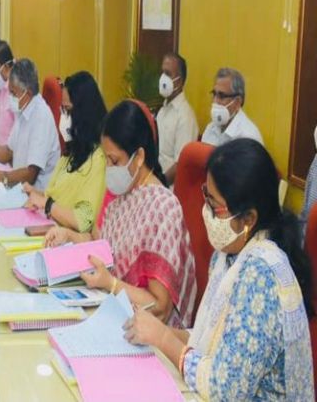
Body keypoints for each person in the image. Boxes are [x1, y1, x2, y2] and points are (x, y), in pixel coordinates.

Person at [124, 139, 314, 400]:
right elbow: (212, 341)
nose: (206, 212)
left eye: (214, 206)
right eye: (206, 197)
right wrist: (158, 331)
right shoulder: (228, 255)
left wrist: (163, 338)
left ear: (249, 219)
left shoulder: (262, 275)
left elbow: (226, 388)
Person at [44, 100, 196, 327]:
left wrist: (112, 284)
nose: (109, 168)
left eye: (114, 161)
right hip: (113, 312)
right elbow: (103, 247)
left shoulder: (163, 208)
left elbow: (160, 307)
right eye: (106, 160)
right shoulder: (122, 195)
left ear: (139, 157)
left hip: (149, 332)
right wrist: (68, 236)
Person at [24, 71, 107, 233]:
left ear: (84, 112)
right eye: (62, 110)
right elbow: (56, 196)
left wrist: (47, 204)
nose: (64, 118)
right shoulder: (74, 149)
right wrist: (36, 193)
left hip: (69, 239)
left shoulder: (99, 158)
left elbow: (83, 220)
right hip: (51, 227)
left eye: (67, 110)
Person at [0, 58, 60, 189]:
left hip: (35, 193)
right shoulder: (23, 109)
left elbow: (31, 174)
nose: (10, 97)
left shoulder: (41, 117)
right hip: (18, 188)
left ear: (28, 92)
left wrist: (1, 177)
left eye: (13, 93)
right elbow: (9, 151)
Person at [156, 53, 198, 184]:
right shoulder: (162, 111)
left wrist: (159, 183)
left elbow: (181, 164)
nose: (163, 78)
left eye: (168, 74)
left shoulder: (185, 116)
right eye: (162, 72)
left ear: (179, 81)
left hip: (169, 188)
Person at [202, 67, 263, 147]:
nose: (215, 101)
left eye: (222, 96)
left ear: (237, 102)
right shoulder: (211, 128)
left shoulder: (248, 137)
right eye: (214, 94)